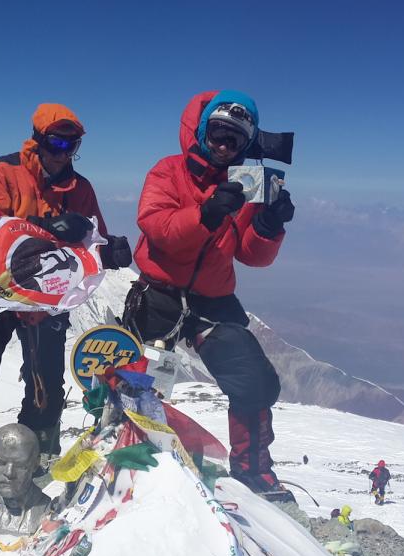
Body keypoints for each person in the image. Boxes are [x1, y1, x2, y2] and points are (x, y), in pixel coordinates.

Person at [0, 103, 132, 488]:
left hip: (47, 299)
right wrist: (46, 226)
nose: (62, 152)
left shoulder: (81, 189)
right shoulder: (2, 170)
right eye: (56, 142)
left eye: (71, 145)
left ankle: (37, 467)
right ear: (39, 138)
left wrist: (111, 251)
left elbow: (92, 241)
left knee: (46, 385)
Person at [124, 90, 295, 497]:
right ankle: (123, 454)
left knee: (253, 381)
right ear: (202, 131)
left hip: (212, 301)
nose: (223, 145)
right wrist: (206, 213)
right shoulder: (168, 171)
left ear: (245, 144)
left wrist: (268, 226)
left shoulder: (246, 186)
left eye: (234, 139)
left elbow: (251, 255)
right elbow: (158, 229)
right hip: (159, 293)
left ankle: (252, 473)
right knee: (134, 382)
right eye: (218, 133)